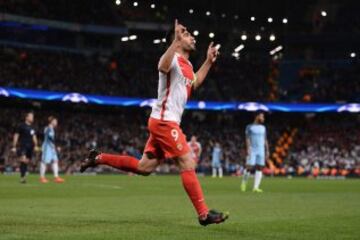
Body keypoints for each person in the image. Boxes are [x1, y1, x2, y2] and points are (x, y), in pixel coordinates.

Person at [80, 20, 228, 226]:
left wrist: (209, 62)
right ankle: (203, 214)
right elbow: (162, 66)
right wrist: (175, 43)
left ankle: (98, 158)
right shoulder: (172, 59)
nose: (192, 36)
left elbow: (194, 83)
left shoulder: (187, 64)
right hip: (165, 122)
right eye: (186, 33)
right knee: (187, 162)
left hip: (164, 122)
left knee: (145, 167)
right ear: (175, 40)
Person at [241, 112, 269, 193]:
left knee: (260, 167)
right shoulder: (249, 127)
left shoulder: (263, 127)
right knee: (249, 167)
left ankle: (255, 187)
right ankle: (244, 182)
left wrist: (267, 150)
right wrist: (248, 148)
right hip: (252, 149)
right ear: (257, 117)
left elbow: (265, 139)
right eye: (262, 116)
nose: (263, 118)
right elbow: (247, 138)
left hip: (261, 150)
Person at [11, 111, 39, 183]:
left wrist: (36, 145)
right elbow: (16, 135)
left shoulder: (33, 127)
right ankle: (22, 178)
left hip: (30, 147)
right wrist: (14, 146)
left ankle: (23, 176)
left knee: (26, 161)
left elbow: (34, 137)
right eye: (31, 116)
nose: (32, 118)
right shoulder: (21, 126)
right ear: (26, 117)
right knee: (23, 160)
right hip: (23, 145)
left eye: (33, 117)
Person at [40, 116, 65, 183]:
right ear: (52, 121)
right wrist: (56, 146)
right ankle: (42, 178)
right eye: (55, 121)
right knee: (44, 161)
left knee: (55, 161)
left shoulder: (51, 129)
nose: (56, 122)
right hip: (47, 148)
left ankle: (56, 177)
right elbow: (50, 138)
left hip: (51, 147)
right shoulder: (48, 128)